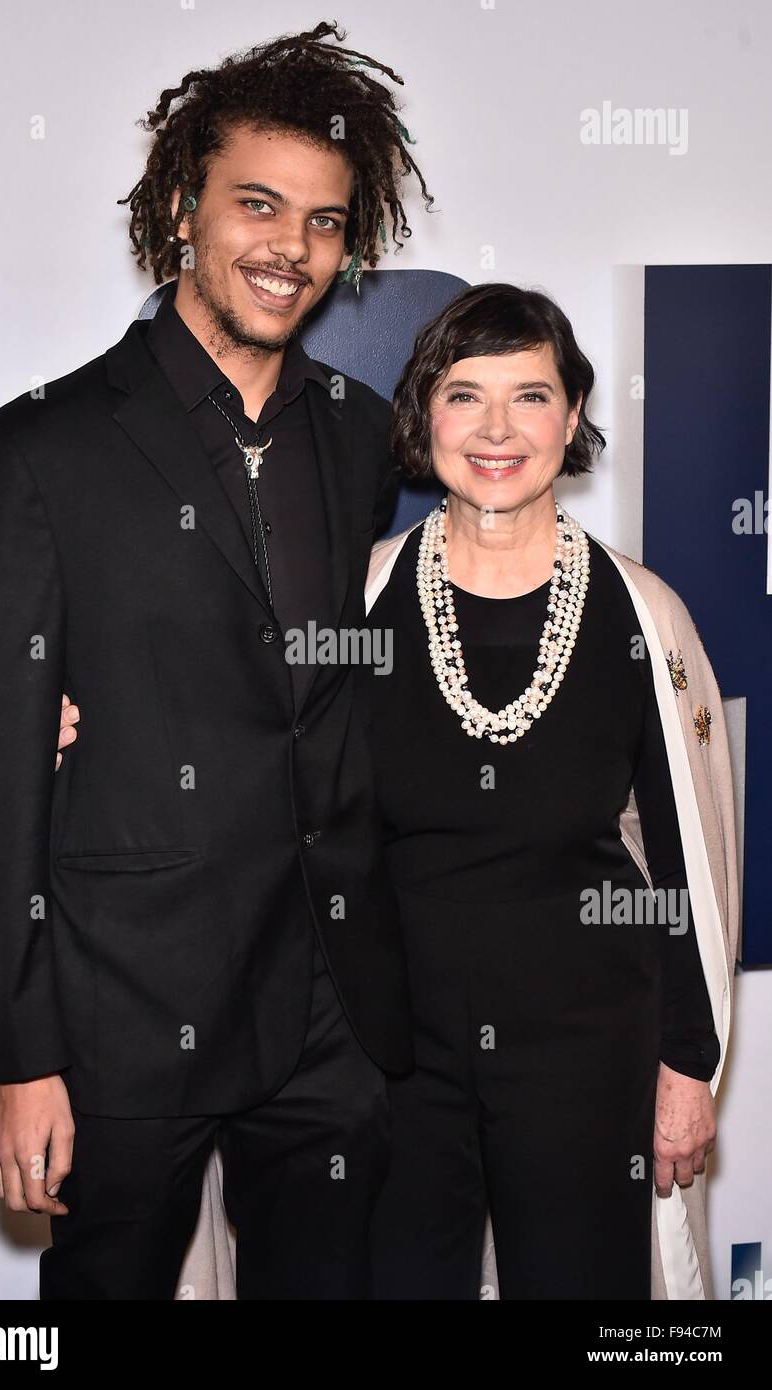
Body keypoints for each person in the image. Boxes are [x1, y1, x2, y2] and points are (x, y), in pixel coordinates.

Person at [0, 21, 436, 1301]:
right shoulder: (36, 452)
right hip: (118, 1015)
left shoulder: (357, 435)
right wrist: (20, 1053)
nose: (290, 249)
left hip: (331, 1016)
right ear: (181, 207)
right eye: (257, 205)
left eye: (325, 221)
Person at [362, 282, 738, 1299]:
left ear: (570, 417)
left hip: (589, 1058)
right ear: (421, 413)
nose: (495, 429)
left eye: (529, 396)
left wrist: (686, 1070)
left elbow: (686, 861)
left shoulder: (641, 612)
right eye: (463, 393)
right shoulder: (358, 600)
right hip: (393, 1065)